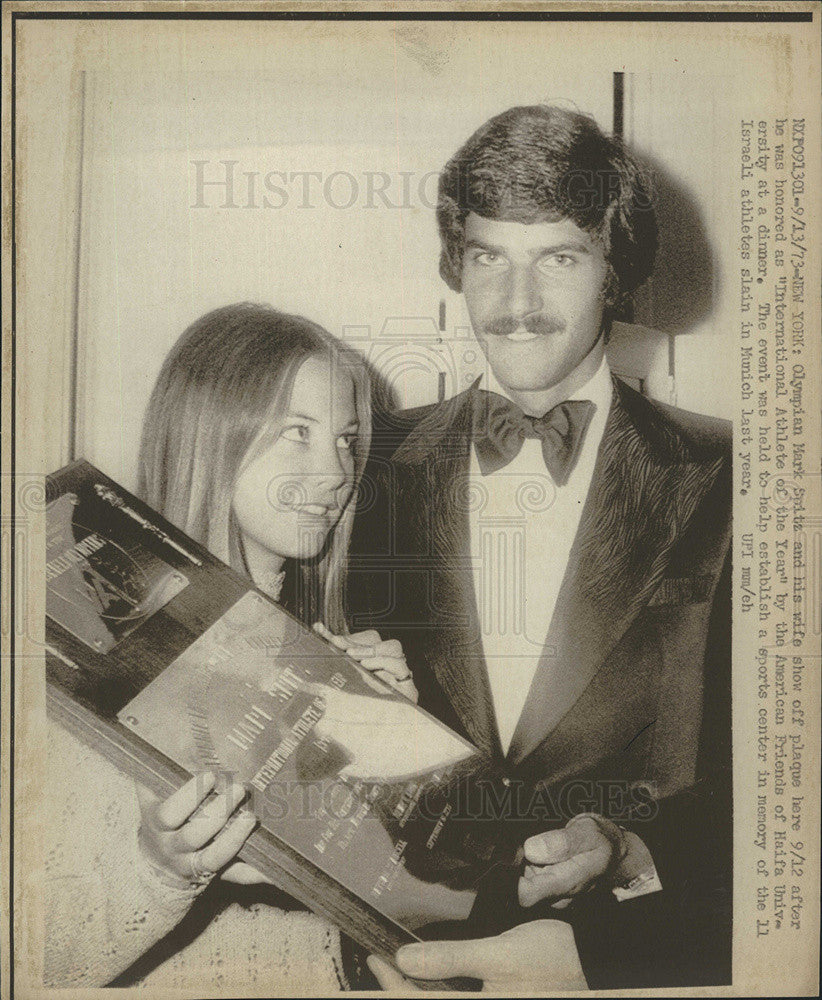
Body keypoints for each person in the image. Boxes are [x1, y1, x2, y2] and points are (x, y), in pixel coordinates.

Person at [349, 104, 732, 989]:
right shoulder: (363, 464)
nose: (516, 307)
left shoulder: (740, 475)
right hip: (391, 962)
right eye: (489, 258)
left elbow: (778, 795)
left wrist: (629, 846)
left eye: (558, 258)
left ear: (614, 271)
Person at [45, 303, 415, 990]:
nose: (337, 471)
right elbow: (34, 956)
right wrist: (159, 870)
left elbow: (375, 891)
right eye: (297, 433)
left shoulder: (319, 639)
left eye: (346, 438)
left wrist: (400, 754)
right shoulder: (98, 656)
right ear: (210, 437)